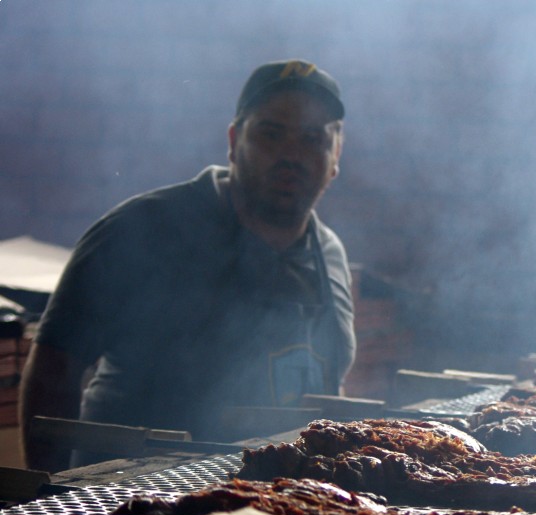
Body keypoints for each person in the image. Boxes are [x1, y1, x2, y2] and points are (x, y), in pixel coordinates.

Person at [18, 59, 357, 472]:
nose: (292, 154)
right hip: (130, 494)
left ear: (335, 156)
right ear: (234, 141)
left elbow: (326, 389)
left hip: (276, 497)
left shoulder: (330, 254)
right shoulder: (142, 229)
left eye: (312, 139)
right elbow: (54, 368)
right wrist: (49, 489)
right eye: (271, 133)